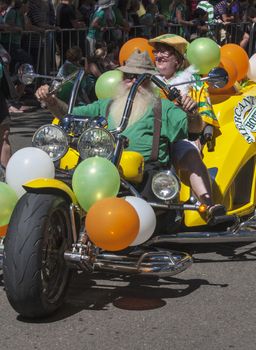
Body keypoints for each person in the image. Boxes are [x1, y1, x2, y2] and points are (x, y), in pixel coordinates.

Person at [35, 49, 202, 168]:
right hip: (104, 170)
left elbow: (193, 131)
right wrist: (52, 101)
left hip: (146, 174)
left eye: (139, 78)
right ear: (122, 79)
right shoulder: (106, 104)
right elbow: (68, 115)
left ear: (150, 81)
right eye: (129, 77)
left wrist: (192, 114)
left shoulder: (162, 107)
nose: (133, 82)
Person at [148, 33, 226, 218]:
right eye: (156, 51)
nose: (158, 56)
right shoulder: (145, 81)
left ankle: (208, 206)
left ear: (177, 59)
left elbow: (205, 111)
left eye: (164, 52)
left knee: (190, 153)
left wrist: (203, 132)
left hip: (179, 137)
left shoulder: (193, 82)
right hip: (148, 137)